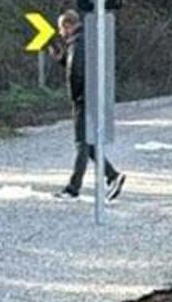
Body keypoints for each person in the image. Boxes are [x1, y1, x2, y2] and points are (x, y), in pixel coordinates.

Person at [47, 10, 126, 201]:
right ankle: (112, 176)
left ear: (68, 26)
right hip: (94, 97)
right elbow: (77, 65)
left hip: (84, 99)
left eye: (61, 29)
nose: (60, 33)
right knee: (89, 144)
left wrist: (76, 98)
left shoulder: (78, 43)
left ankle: (73, 188)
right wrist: (61, 59)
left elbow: (77, 73)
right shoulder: (85, 40)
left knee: (81, 143)